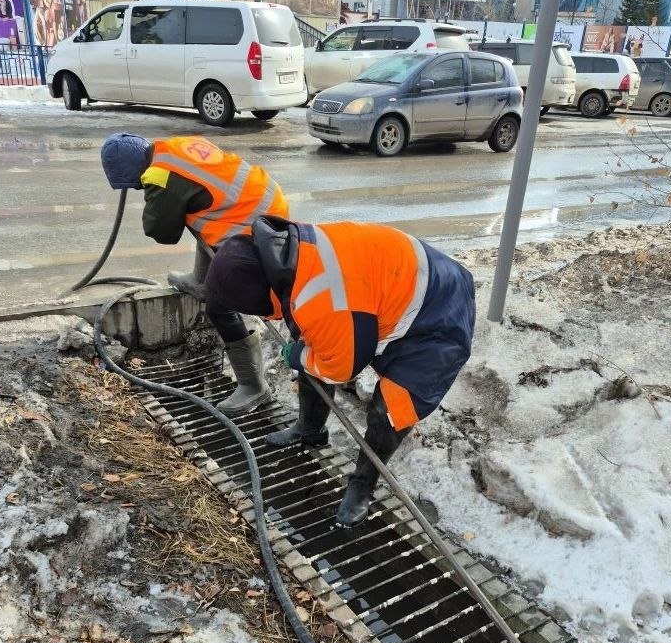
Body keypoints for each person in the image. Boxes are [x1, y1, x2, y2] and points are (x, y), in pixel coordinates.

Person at [203, 216, 476, 527]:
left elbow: (339, 368)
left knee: (391, 408)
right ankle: (310, 429)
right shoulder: (285, 253)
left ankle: (363, 485)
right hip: (392, 289)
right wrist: (306, 353)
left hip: (439, 314)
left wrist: (298, 356)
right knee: (313, 348)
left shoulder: (322, 297)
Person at [100, 133, 289, 416]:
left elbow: (161, 232)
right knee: (204, 215)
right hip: (266, 200)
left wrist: (153, 193)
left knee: (220, 305)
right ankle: (200, 281)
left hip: (252, 224)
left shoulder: (160, 176)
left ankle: (253, 386)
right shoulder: (170, 148)